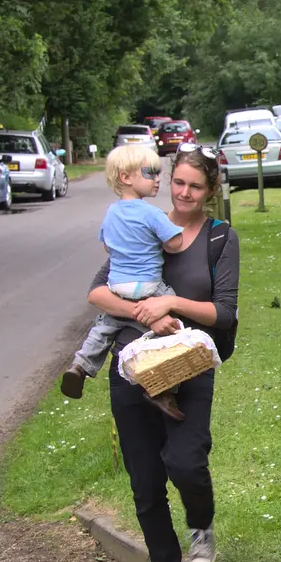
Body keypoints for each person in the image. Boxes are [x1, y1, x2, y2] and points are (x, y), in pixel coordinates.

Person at [86, 145, 239, 562]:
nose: (184, 192)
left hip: (187, 365)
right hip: (131, 368)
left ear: (211, 190)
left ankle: (201, 527)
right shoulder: (138, 222)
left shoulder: (219, 237)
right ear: (168, 182)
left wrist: (169, 304)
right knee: (146, 480)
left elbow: (224, 313)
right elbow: (97, 291)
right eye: (178, 183)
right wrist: (141, 311)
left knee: (187, 461)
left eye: (196, 186)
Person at [61, 144, 189, 418]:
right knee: (172, 325)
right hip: (149, 286)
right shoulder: (151, 213)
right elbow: (176, 243)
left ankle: (80, 367)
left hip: (117, 287)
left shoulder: (111, 213)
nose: (157, 179)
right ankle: (163, 389)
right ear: (126, 177)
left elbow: (108, 247)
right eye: (150, 173)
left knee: (104, 327)